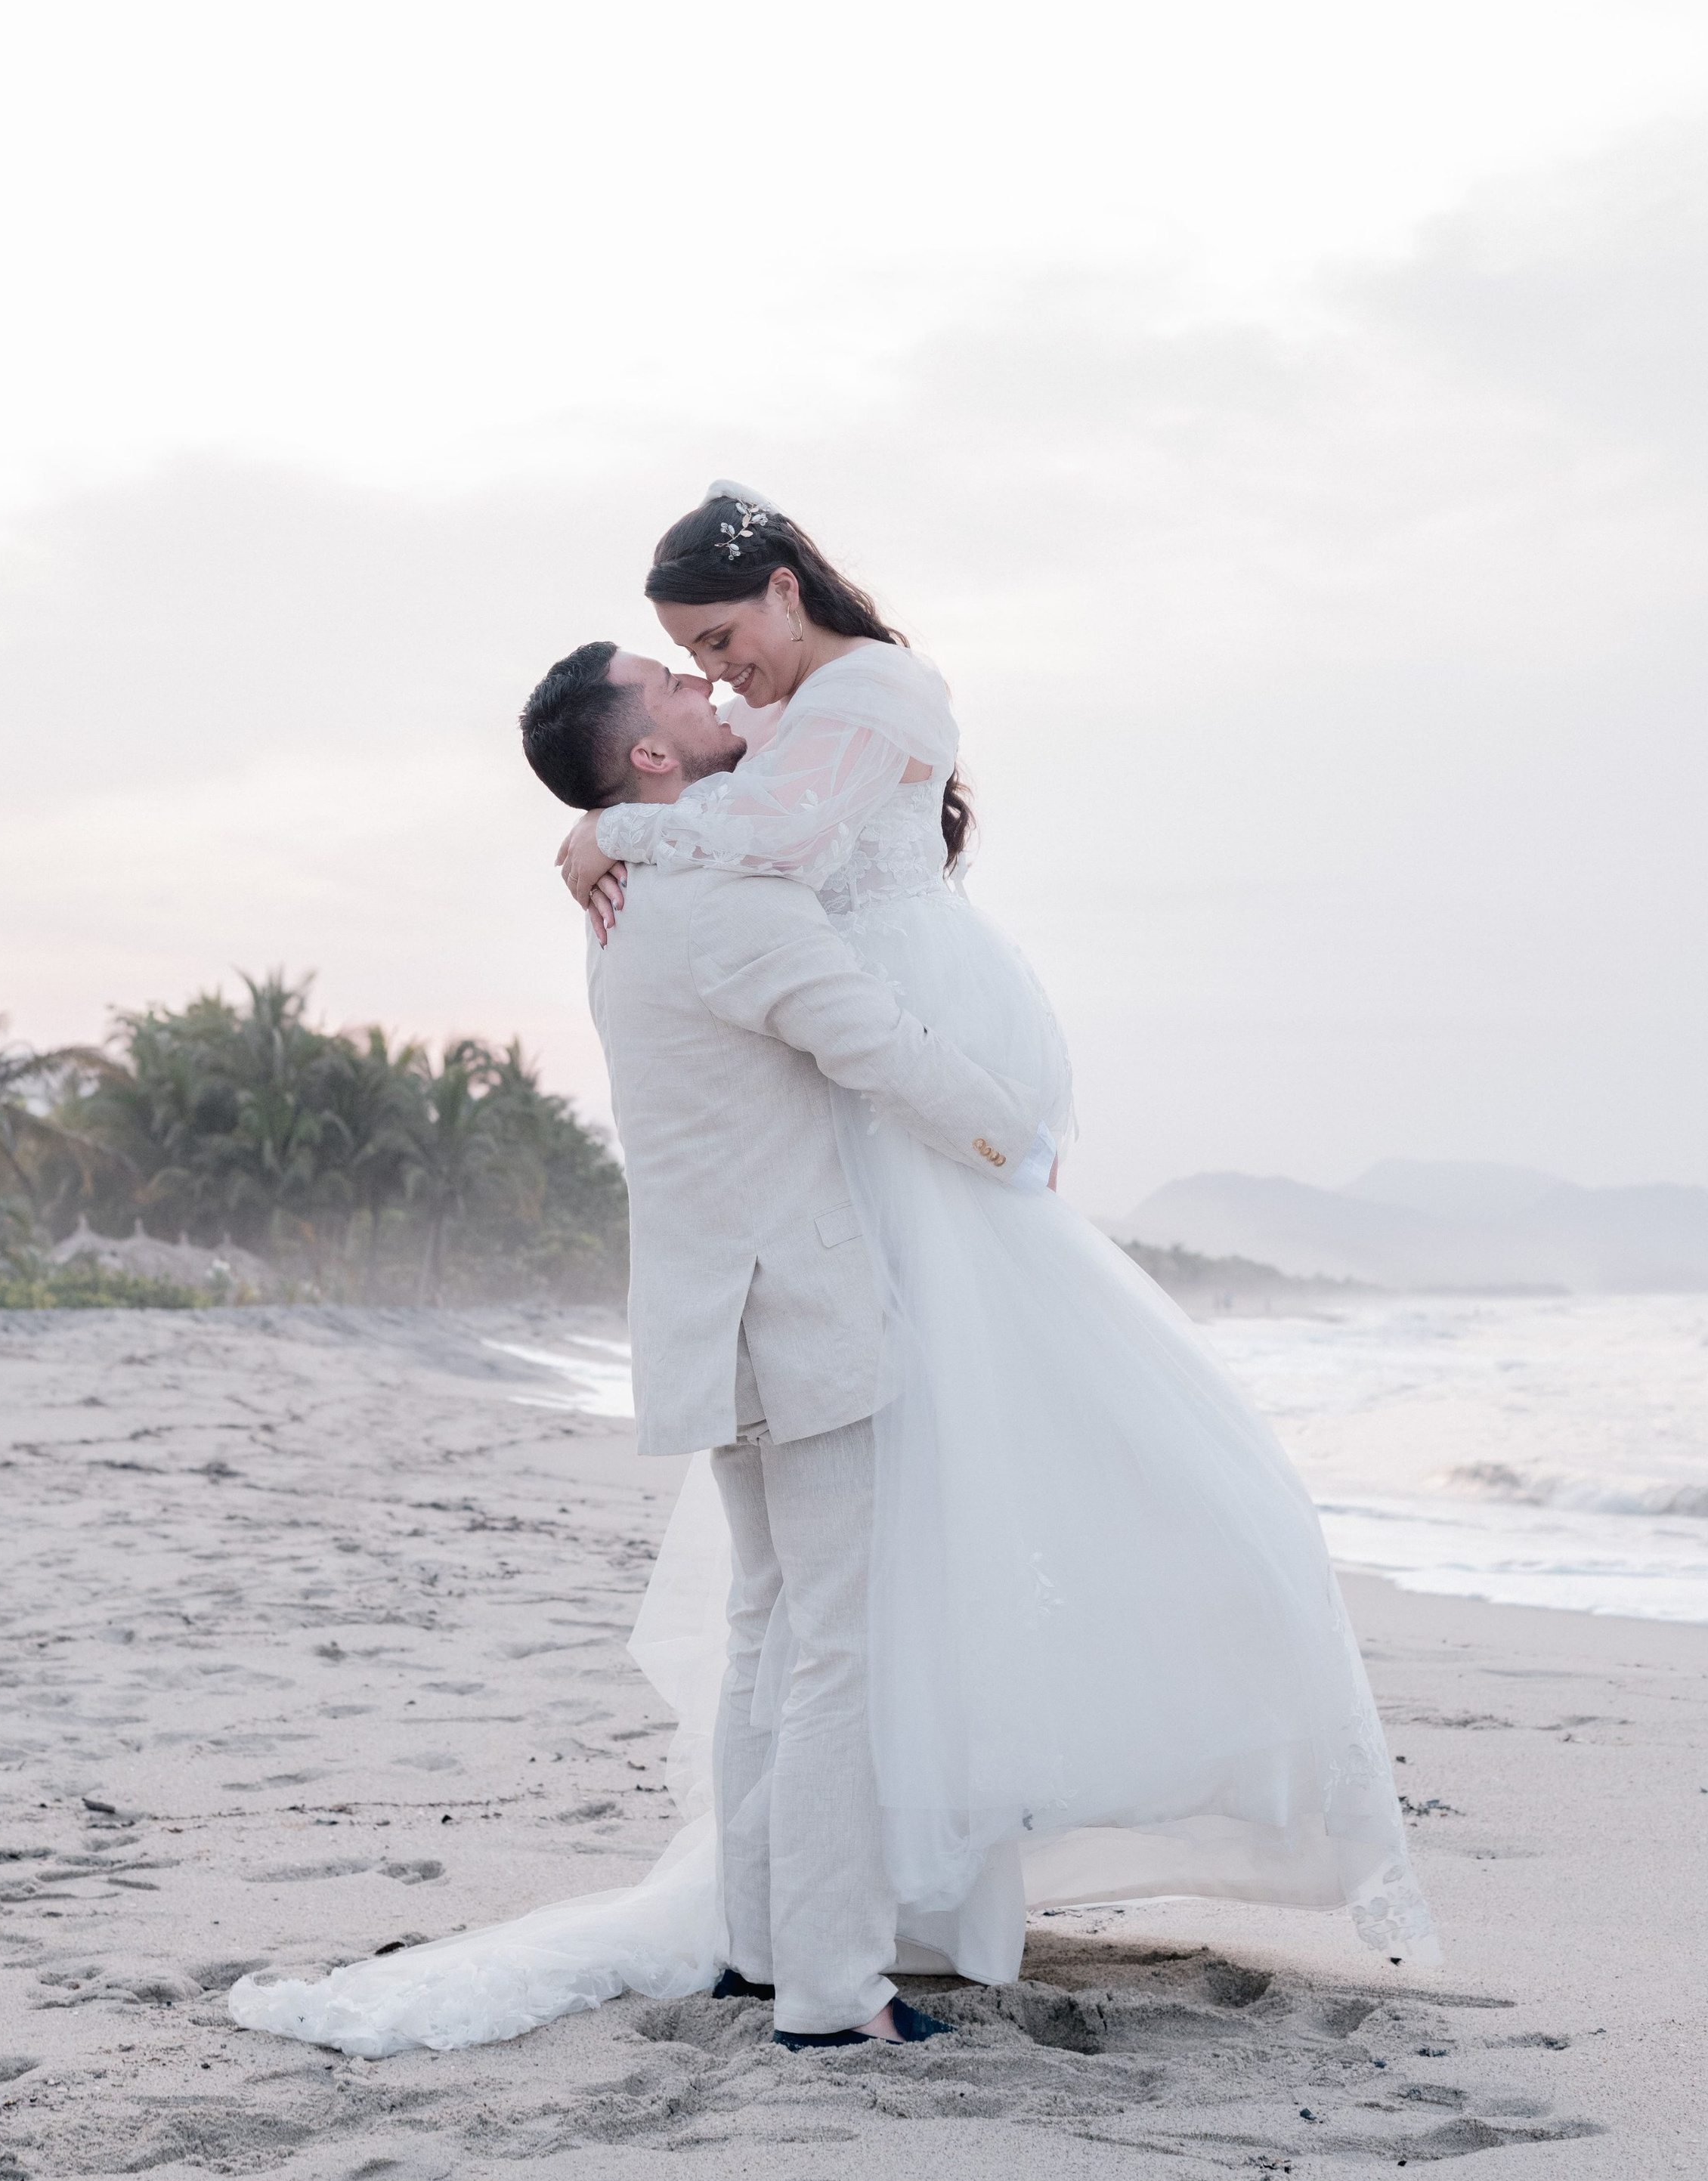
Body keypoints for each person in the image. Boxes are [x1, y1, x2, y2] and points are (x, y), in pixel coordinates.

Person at [554, 482, 1436, 1983]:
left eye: (720, 638)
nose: (720, 674)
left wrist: (606, 826)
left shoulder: (876, 686)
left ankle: (866, 1898)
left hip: (903, 1027)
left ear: (779, 587)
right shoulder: (764, 736)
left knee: (910, 1469)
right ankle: (853, 1908)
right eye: (687, 662)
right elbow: (732, 825)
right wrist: (614, 819)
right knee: (857, 1522)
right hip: (847, 1046)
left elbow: (763, 833)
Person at [227, 636, 1060, 2059]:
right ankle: (832, 1989)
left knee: (765, 1631)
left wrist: (596, 830)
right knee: (833, 1653)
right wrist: (1020, 1147)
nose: (711, 689)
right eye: (678, 689)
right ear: (656, 757)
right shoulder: (728, 904)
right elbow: (881, 1048)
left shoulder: (625, 900)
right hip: (793, 1318)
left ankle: (752, 1949)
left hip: (697, 1316)